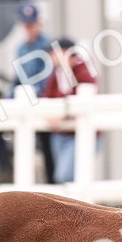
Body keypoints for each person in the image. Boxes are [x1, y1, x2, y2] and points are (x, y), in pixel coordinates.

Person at [0, 0, 54, 183]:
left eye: (31, 24)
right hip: (23, 100)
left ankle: (51, 178)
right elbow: (18, 78)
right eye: (26, 25)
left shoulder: (48, 46)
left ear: (39, 23)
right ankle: (6, 169)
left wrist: (32, 94)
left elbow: (47, 78)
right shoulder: (21, 48)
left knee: (46, 137)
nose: (28, 29)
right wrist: (9, 97)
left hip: (41, 101)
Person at [41, 37, 98, 183]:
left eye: (54, 53)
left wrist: (63, 114)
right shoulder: (58, 73)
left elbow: (83, 97)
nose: (51, 57)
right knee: (64, 177)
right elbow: (47, 96)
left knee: (66, 176)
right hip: (62, 133)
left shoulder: (82, 70)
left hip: (78, 133)